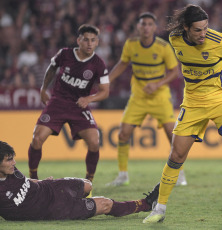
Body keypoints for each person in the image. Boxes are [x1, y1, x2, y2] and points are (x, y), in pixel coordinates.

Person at [143, 5, 222, 223]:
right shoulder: (175, 39)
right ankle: (159, 209)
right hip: (193, 104)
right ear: (186, 28)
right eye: (198, 30)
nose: (203, 34)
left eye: (205, 28)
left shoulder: (219, 41)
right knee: (176, 156)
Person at [106, 12, 187, 187]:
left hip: (159, 96)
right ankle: (122, 175)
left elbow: (174, 71)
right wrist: (107, 80)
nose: (146, 27)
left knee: (170, 134)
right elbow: (122, 64)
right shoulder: (131, 45)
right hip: (139, 96)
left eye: (150, 24)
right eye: (143, 24)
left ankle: (179, 172)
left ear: (154, 28)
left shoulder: (163, 47)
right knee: (123, 133)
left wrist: (157, 84)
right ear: (138, 27)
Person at [27, 24, 110, 186]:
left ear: (97, 42)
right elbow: (51, 68)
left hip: (79, 106)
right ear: (78, 40)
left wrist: (89, 99)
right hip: (57, 102)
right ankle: (33, 180)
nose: (89, 43)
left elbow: (105, 92)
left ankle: (89, 182)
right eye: (86, 40)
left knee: (94, 142)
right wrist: (44, 88)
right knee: (37, 139)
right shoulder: (65, 54)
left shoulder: (98, 63)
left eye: (93, 40)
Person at [0, 141, 159, 221]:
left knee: (87, 185)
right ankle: (145, 204)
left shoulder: (11, 170)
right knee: (105, 204)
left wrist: (40, 181)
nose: (14, 163)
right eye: (9, 160)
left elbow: (25, 182)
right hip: (54, 209)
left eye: (13, 158)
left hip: (48, 188)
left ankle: (82, 205)